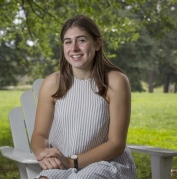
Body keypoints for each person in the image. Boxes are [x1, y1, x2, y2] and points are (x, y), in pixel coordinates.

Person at [31, 14, 136, 179]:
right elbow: (40, 135)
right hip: (63, 164)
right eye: (68, 42)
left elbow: (116, 144)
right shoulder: (52, 83)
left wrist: (72, 161)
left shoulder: (115, 82)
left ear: (97, 43)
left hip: (106, 163)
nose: (74, 48)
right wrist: (44, 155)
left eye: (81, 40)